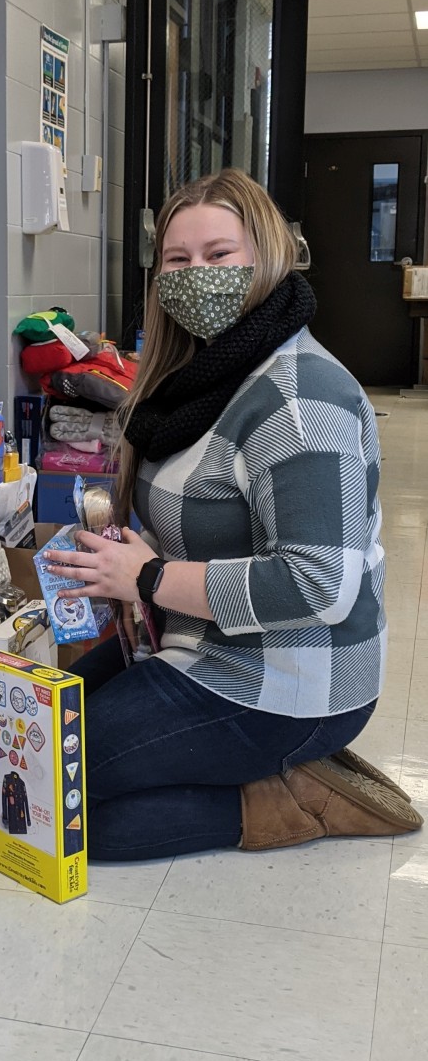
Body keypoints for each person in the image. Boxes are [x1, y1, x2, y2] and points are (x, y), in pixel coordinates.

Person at [43, 168, 421, 861]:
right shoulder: (199, 376)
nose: (196, 275)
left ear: (266, 257)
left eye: (219, 256)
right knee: (39, 741)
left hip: (290, 682)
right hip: (196, 645)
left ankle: (290, 800)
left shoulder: (299, 398)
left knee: (57, 810)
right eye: (177, 260)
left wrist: (149, 577)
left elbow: (317, 586)